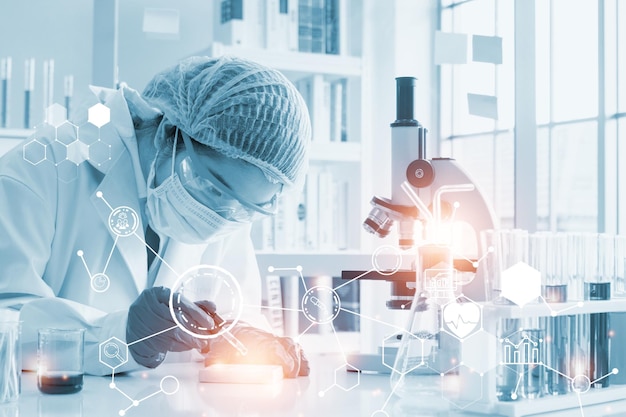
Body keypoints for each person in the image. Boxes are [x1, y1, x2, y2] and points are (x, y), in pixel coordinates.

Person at [0, 55, 311, 377]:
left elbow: (236, 310)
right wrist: (120, 336)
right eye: (215, 189)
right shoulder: (40, 168)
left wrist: (245, 338)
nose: (220, 217)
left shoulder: (228, 209)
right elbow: (5, 326)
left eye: (246, 207)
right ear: (168, 134)